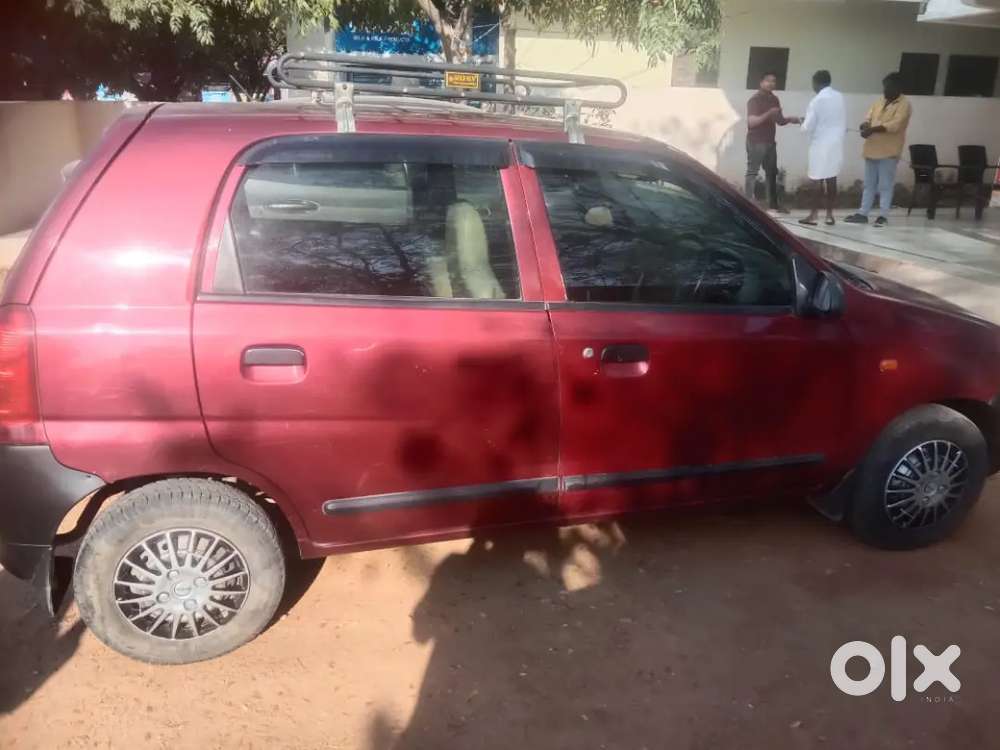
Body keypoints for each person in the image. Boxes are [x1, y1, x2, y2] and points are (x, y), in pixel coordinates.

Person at [845, 72, 912, 227]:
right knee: (869, 184)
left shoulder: (904, 105)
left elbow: (895, 125)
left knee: (885, 185)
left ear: (898, 87)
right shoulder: (879, 101)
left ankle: (883, 216)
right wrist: (865, 125)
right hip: (871, 148)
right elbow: (868, 117)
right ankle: (863, 213)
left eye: (889, 87)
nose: (885, 90)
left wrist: (872, 130)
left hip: (889, 151)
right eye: (884, 87)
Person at [745, 72, 801, 214]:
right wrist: (769, 113)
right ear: (761, 82)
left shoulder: (775, 99)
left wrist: (791, 119)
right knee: (752, 172)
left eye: (773, 81)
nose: (771, 84)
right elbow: (751, 122)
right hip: (756, 141)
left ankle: (773, 206)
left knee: (771, 173)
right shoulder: (754, 100)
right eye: (768, 81)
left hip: (770, 142)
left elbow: (780, 121)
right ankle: (747, 204)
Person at [799, 70, 846, 226]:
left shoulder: (817, 100)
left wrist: (801, 122)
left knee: (817, 180)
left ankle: (813, 215)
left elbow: (808, 126)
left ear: (816, 83)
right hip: (836, 143)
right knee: (832, 178)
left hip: (820, 144)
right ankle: (830, 215)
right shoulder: (839, 97)